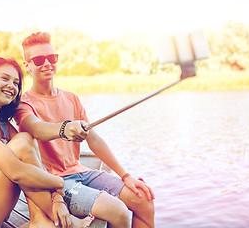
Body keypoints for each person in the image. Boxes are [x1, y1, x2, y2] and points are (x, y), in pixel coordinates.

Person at [14, 32, 155, 228]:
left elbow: (94, 140)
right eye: (38, 60)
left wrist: (125, 176)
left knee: (143, 199)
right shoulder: (23, 103)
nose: (46, 63)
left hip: (81, 172)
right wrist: (65, 128)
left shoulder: (72, 98)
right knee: (119, 211)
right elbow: (37, 128)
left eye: (51, 58)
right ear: (27, 65)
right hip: (56, 183)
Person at [0, 57, 94, 228]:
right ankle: (62, 221)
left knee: (25, 140)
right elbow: (16, 172)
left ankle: (39, 220)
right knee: (21, 144)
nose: (11, 86)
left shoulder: (4, 126)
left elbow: (33, 162)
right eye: (5, 79)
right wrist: (59, 184)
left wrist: (58, 197)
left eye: (16, 83)